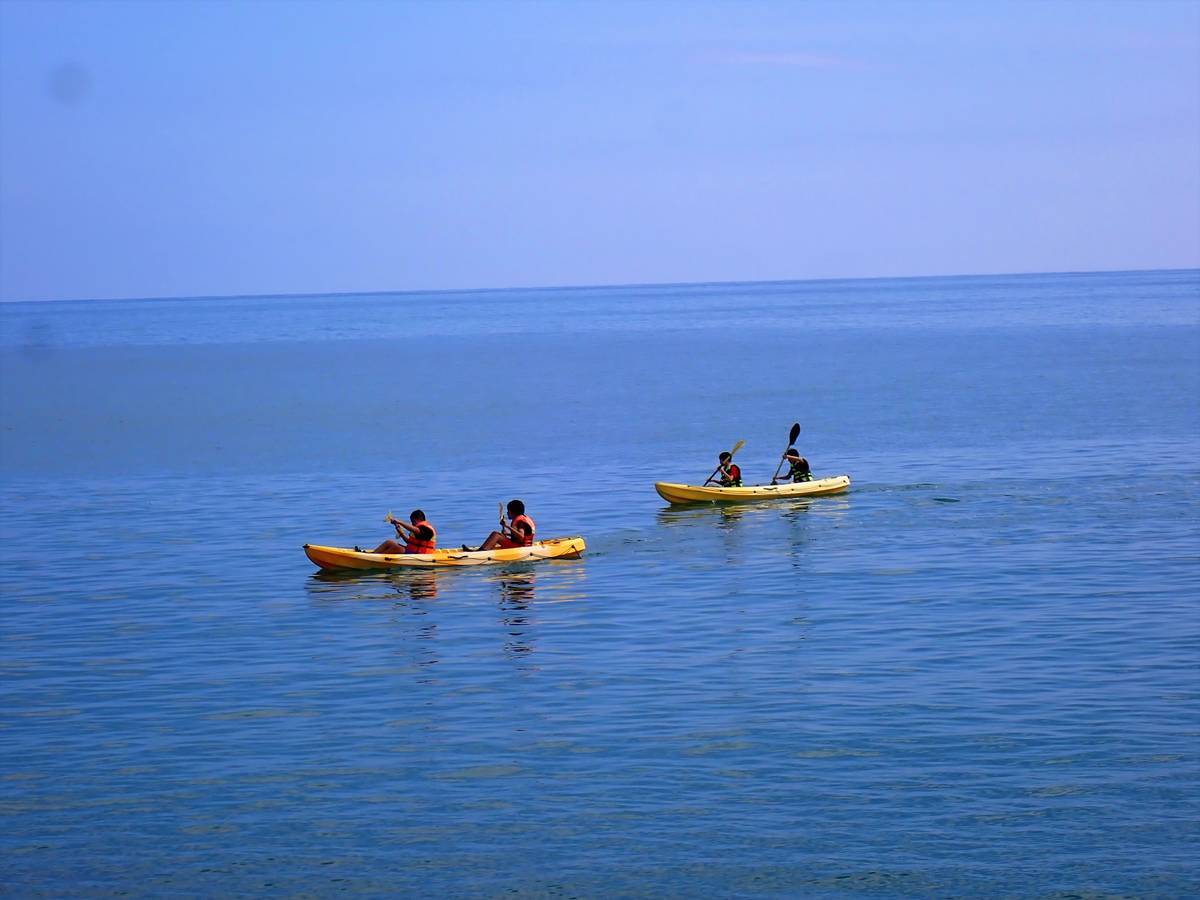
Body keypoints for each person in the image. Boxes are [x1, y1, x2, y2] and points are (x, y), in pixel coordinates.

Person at [471, 499, 536, 551]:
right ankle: (484, 549)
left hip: (520, 547)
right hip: (524, 545)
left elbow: (521, 537)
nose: (507, 513)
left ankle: (481, 552)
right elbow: (519, 537)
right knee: (499, 534)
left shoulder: (520, 521)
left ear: (513, 512)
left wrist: (507, 526)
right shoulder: (523, 518)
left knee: (495, 535)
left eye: (508, 511)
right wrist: (507, 534)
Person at [366, 509, 437, 554]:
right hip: (412, 551)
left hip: (422, 555)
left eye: (412, 521)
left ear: (418, 519)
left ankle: (377, 559)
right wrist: (401, 532)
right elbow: (409, 542)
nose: (412, 524)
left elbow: (417, 530)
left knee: (396, 548)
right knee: (389, 542)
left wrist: (399, 522)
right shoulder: (418, 529)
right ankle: (374, 554)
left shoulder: (427, 530)